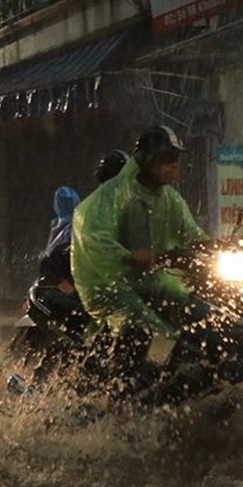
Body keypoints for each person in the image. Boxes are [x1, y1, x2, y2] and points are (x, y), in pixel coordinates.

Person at [70, 126, 212, 388]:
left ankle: (196, 375)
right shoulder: (114, 193)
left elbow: (191, 234)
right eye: (166, 159)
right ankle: (133, 391)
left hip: (150, 282)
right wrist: (127, 257)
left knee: (205, 316)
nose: (173, 165)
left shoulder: (170, 199)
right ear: (146, 159)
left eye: (176, 159)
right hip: (109, 285)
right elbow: (94, 236)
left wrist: (216, 247)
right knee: (159, 333)